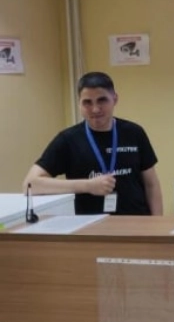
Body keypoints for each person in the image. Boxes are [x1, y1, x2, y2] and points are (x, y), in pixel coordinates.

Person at [22, 71, 163, 215]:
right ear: (79, 103)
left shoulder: (134, 132)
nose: (95, 109)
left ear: (115, 99)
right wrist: (88, 185)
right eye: (87, 102)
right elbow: (30, 184)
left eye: (102, 100)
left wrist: (157, 224)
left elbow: (151, 184)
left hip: (137, 222)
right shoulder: (68, 139)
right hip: (91, 225)